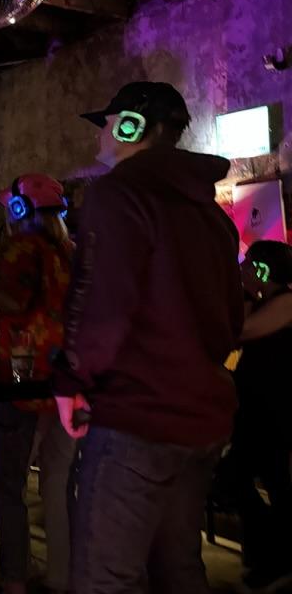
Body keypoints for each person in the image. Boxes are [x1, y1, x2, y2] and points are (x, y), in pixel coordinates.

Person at [52, 82, 243, 594]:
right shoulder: (212, 214)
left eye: (109, 123)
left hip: (139, 419)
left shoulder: (118, 194)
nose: (102, 136)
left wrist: (71, 378)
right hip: (202, 420)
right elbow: (230, 321)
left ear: (132, 126)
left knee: (104, 579)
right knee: (178, 570)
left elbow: (101, 304)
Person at [0, 174, 75, 594]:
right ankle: (62, 574)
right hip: (64, 380)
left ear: (20, 209)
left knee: (10, 484)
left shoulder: (23, 247)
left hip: (23, 380)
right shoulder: (69, 250)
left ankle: (14, 579)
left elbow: (14, 303)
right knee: (58, 482)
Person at [230, 241, 292, 593]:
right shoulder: (258, 301)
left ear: (264, 270)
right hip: (253, 409)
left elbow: (239, 332)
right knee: (249, 481)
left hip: (275, 411)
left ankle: (275, 559)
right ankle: (266, 558)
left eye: (248, 264)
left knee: (272, 485)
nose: (241, 268)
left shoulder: (286, 301)